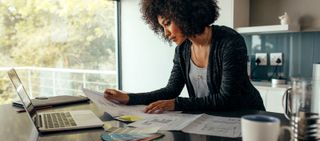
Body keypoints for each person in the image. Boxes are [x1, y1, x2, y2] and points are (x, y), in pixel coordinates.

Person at [104, 0, 265, 113]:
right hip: (216, 120)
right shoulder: (183, 50)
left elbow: (227, 99)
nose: (166, 33)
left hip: (248, 118)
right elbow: (171, 90)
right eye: (162, 27)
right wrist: (129, 98)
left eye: (167, 23)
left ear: (184, 13)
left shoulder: (230, 41)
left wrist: (176, 104)